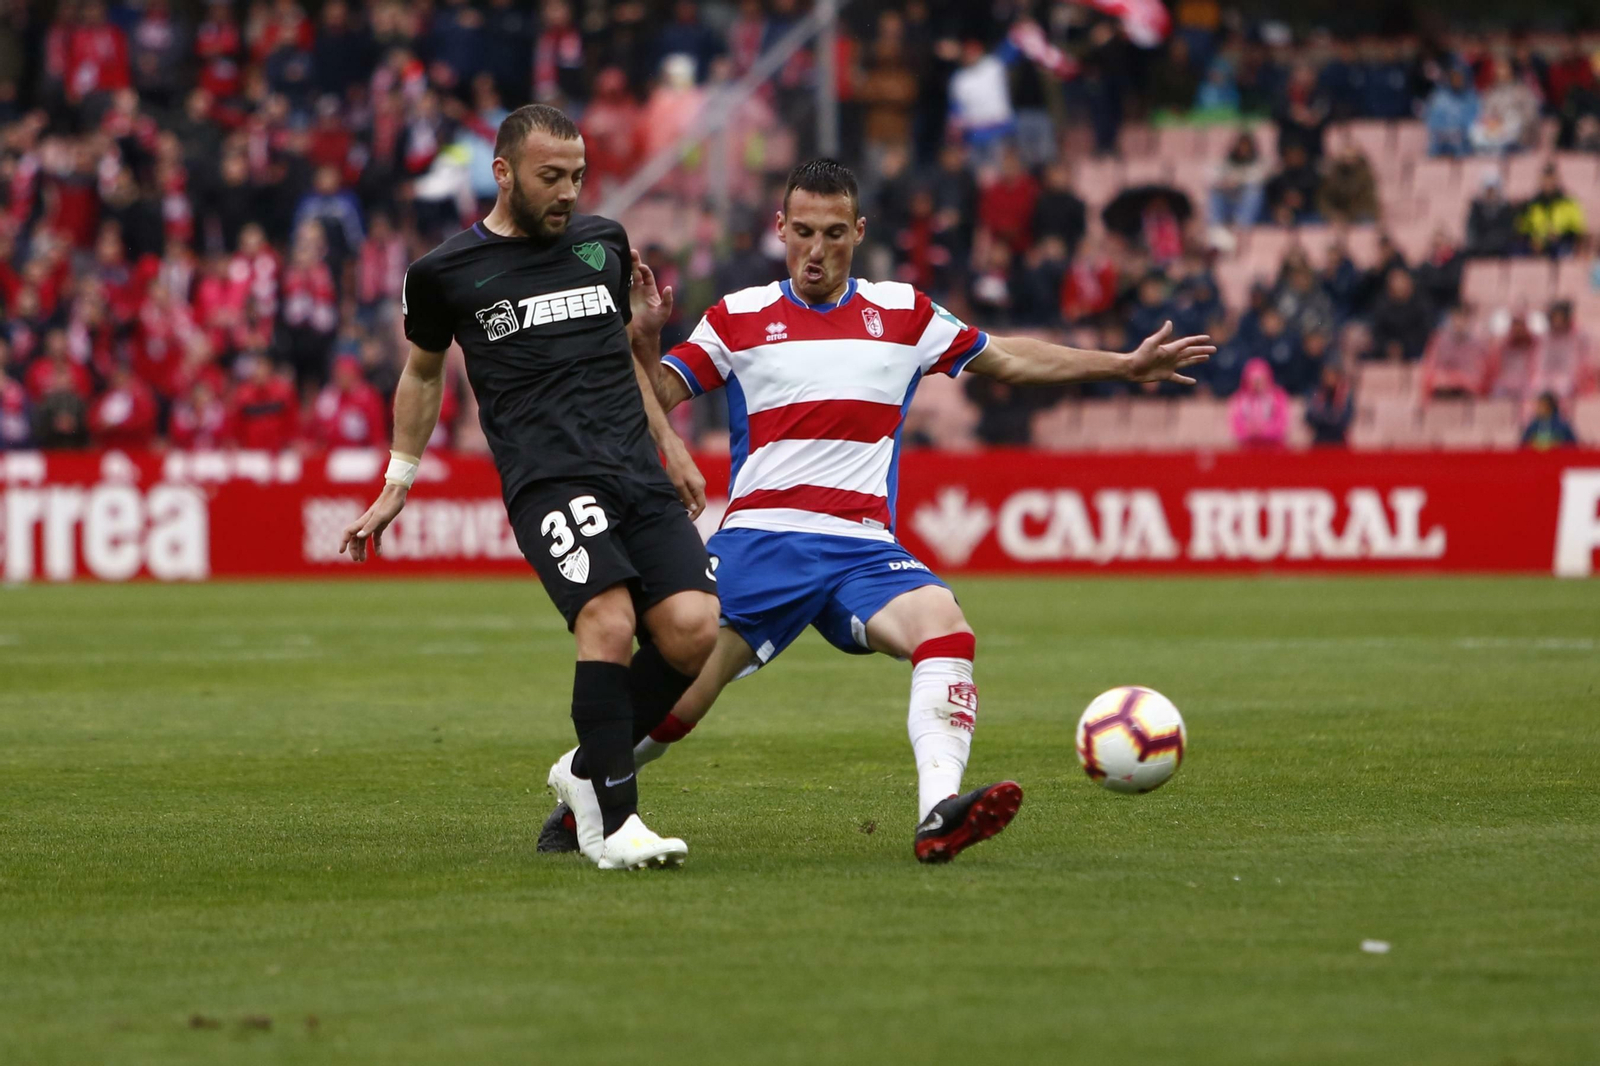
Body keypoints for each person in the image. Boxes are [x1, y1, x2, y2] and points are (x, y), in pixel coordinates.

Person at [544, 160, 1213, 864]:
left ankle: (937, 815)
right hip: (762, 541)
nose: (816, 249)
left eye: (834, 234)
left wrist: (1121, 366)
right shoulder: (735, 318)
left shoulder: (905, 314)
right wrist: (645, 339)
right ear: (779, 229)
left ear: (858, 233)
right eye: (802, 232)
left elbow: (1009, 359)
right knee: (683, 701)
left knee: (946, 631)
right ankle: (586, 789)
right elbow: (650, 398)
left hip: (864, 548)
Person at [339, 105, 719, 872]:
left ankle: (584, 771)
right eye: (551, 177)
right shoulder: (444, 273)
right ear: (503, 172)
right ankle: (615, 826)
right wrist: (398, 479)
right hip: (549, 480)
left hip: (634, 472)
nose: (568, 192)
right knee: (608, 622)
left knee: (693, 631)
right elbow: (421, 372)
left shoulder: (602, 244)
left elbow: (621, 359)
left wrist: (671, 444)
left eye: (577, 176)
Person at [1228, 357, 1289, 448]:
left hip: (1273, 448)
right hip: (1247, 448)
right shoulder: (1239, 398)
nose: (1257, 384)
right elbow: (1236, 425)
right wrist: (1249, 431)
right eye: (1254, 380)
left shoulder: (1278, 397)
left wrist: (1264, 431)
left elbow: (1282, 424)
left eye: (1260, 380)